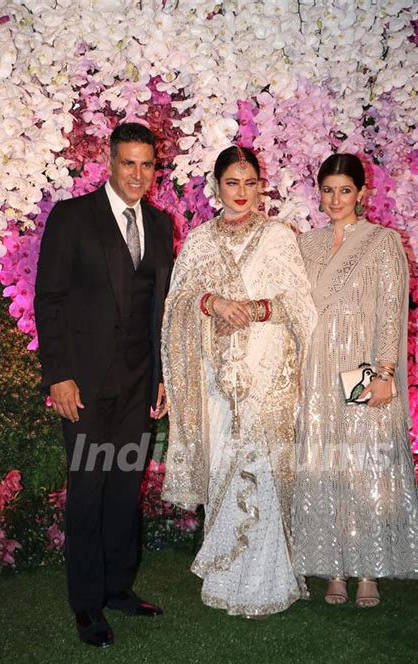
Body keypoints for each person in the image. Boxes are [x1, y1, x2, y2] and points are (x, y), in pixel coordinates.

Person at [161, 146, 317, 617]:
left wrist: (256, 309)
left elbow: (300, 305)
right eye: (233, 182)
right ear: (216, 186)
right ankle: (228, 578)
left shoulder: (279, 237)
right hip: (218, 374)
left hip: (268, 370)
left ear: (260, 186)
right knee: (225, 461)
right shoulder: (200, 241)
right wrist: (212, 304)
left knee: (265, 467)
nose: (243, 192)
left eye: (251, 183)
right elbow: (177, 303)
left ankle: (269, 580)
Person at [34, 122, 173, 647]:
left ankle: (118, 587)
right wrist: (59, 376)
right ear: (109, 164)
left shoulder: (160, 225)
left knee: (123, 488)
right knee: (89, 490)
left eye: (147, 165)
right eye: (128, 163)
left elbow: (159, 309)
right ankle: (86, 603)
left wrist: (162, 378)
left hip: (139, 384)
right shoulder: (72, 217)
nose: (138, 174)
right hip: (85, 387)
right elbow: (48, 300)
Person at [293, 153, 418, 607]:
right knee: (325, 460)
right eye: (328, 190)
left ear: (362, 193)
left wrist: (385, 373)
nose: (336, 199)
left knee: (364, 460)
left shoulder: (381, 241)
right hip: (315, 364)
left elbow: (391, 310)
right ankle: (332, 566)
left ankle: (368, 570)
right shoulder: (306, 243)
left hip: (360, 363)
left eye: (345, 190)